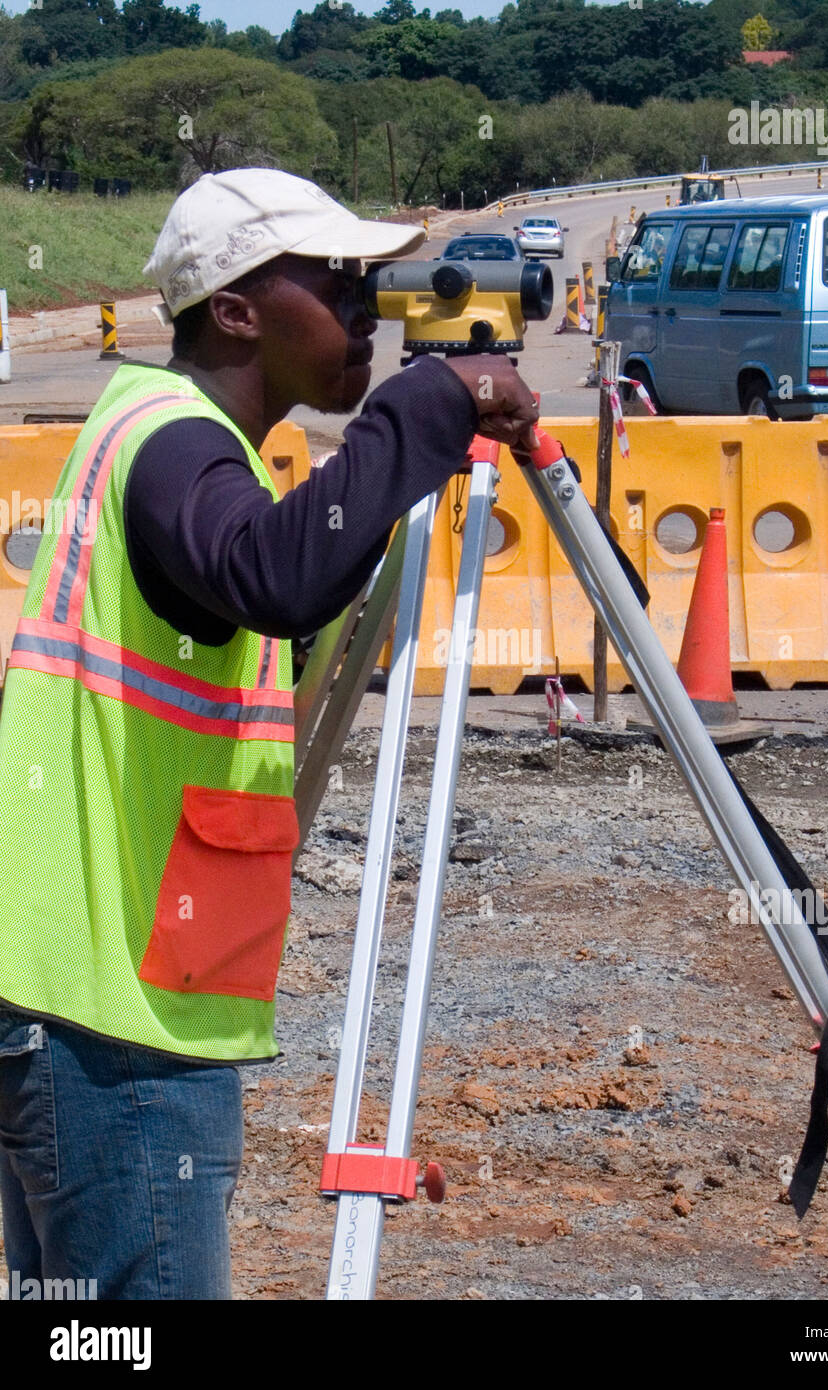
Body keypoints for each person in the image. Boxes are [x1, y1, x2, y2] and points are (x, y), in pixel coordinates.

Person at [0, 168, 538, 1300]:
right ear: (236, 310)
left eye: (370, 285)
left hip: (91, 997)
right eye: (335, 281)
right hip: (119, 1031)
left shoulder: (161, 439)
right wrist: (431, 407)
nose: (365, 311)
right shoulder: (169, 445)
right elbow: (274, 573)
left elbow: (271, 595)